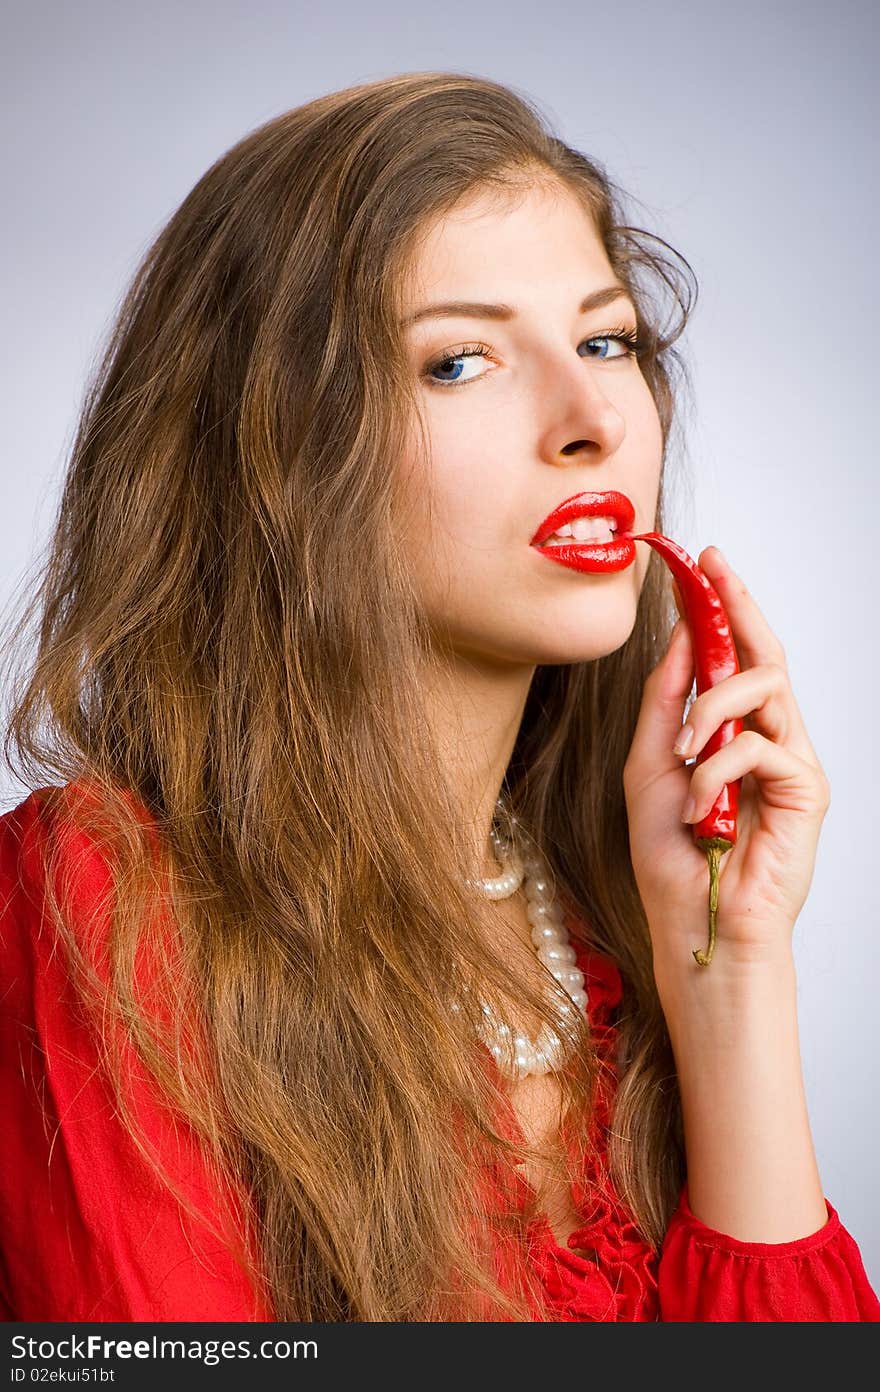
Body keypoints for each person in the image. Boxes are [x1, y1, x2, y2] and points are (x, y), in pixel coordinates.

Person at [0, 70, 877, 1324]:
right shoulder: (100, 901)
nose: (589, 422)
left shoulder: (604, 920)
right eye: (459, 361)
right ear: (275, 458)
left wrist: (729, 974)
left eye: (605, 341)